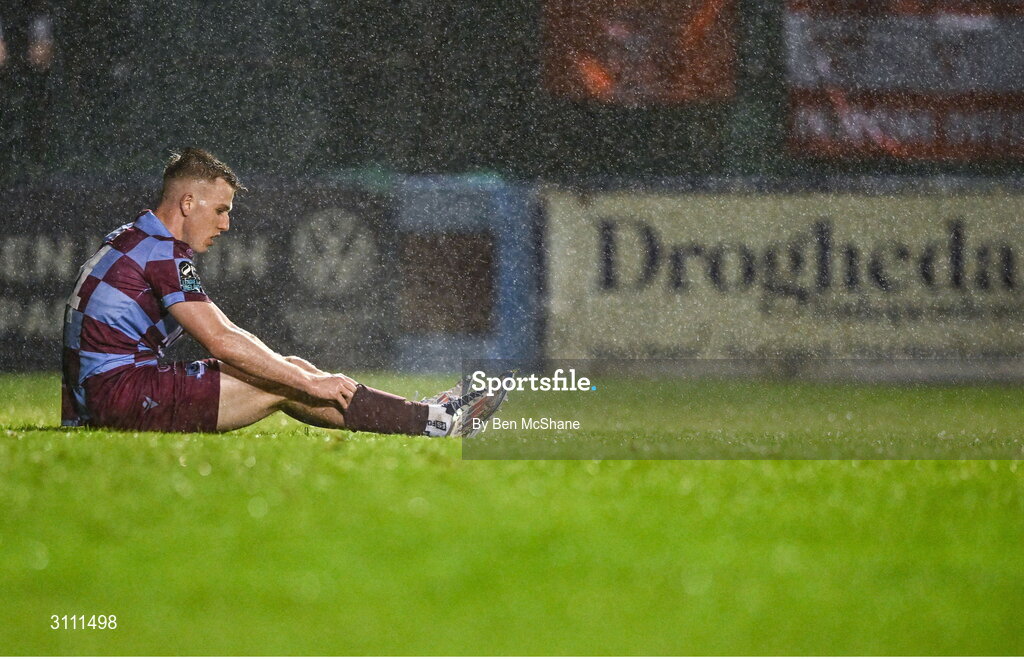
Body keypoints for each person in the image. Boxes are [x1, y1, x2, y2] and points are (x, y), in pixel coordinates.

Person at [60, 147, 506, 436]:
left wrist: (301, 374)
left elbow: (227, 332)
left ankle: (428, 416)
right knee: (286, 383)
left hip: (100, 394)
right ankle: (434, 422)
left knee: (286, 371)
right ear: (187, 203)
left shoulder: (132, 236)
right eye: (219, 210)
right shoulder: (163, 254)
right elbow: (219, 341)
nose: (225, 224)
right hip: (119, 397)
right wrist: (311, 381)